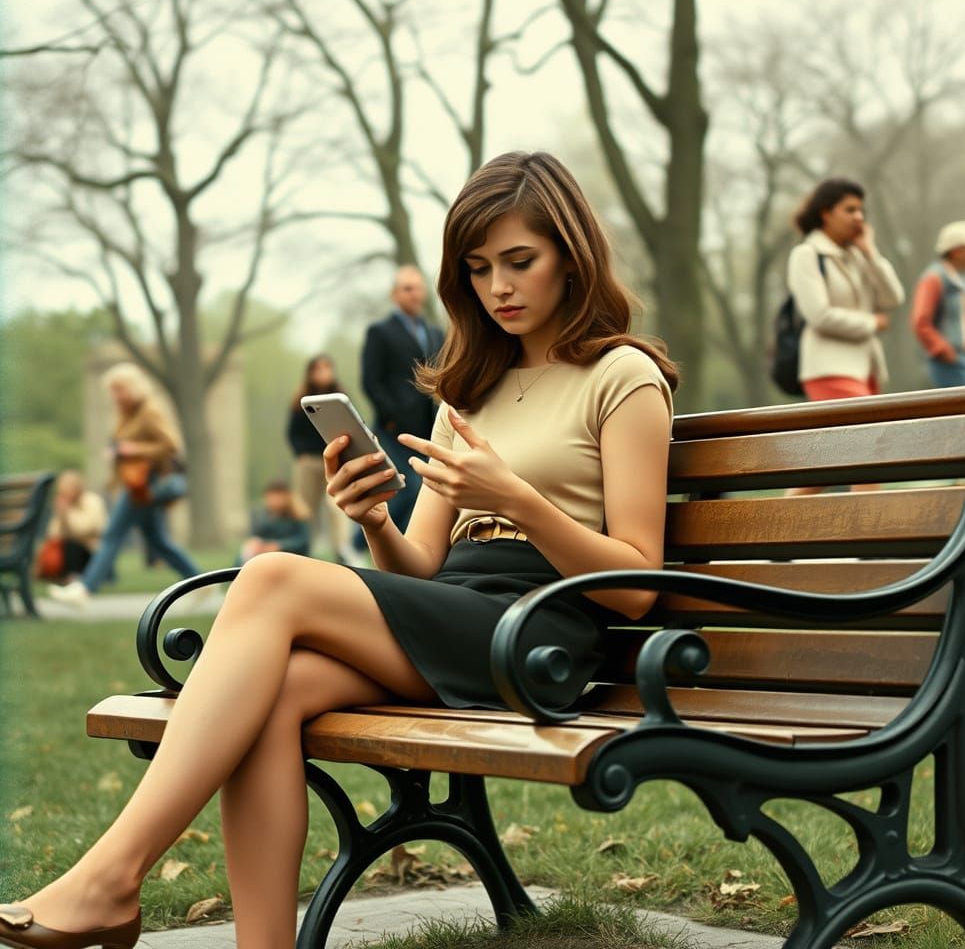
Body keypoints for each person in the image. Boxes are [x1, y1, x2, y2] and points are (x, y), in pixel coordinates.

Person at [1, 151, 676, 949]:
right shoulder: (475, 387)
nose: (499, 286)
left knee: (272, 577)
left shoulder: (622, 376)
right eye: (479, 267)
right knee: (275, 695)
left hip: (540, 631)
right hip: (456, 612)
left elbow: (637, 585)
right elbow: (420, 567)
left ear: (572, 251)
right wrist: (375, 522)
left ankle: (111, 880)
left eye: (520, 261)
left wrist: (518, 502)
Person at [47, 363, 199, 609]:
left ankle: (85, 589)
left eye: (120, 390)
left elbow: (171, 445)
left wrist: (133, 449)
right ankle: (199, 581)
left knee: (111, 535)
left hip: (145, 484)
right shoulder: (126, 414)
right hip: (135, 483)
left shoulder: (149, 411)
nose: (116, 396)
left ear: (134, 388)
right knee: (160, 542)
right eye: (113, 391)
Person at [787, 177, 905, 403]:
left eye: (861, 211)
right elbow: (819, 316)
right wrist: (872, 323)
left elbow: (893, 298)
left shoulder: (857, 256)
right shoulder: (806, 255)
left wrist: (870, 252)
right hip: (829, 369)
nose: (859, 217)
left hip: (867, 369)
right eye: (850, 210)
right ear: (825, 213)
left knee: (873, 436)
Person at [360, 265, 445, 532]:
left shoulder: (435, 334)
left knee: (425, 491)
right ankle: (357, 540)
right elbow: (371, 381)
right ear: (394, 294)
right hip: (393, 429)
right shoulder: (380, 332)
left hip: (428, 428)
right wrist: (391, 416)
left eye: (418, 288)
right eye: (407, 289)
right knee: (407, 487)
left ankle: (410, 549)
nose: (414, 295)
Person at [286, 354, 353, 561]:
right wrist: (301, 455)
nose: (323, 373)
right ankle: (303, 550)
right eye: (318, 369)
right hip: (310, 461)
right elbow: (292, 432)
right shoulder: (302, 401)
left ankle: (342, 549)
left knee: (337, 506)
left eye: (326, 368)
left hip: (335, 460)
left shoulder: (340, 397)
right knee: (305, 509)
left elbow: (352, 426)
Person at [911, 219, 965, 388]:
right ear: (957, 251)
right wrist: (943, 350)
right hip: (949, 363)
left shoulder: (962, 279)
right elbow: (921, 321)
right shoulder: (934, 278)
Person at [36, 470, 107, 582]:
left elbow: (89, 527)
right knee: (61, 546)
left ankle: (77, 576)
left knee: (72, 544)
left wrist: (67, 515)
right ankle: (67, 575)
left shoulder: (92, 500)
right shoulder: (64, 506)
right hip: (70, 553)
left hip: (92, 552)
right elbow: (53, 534)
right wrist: (62, 517)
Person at [237, 480, 311, 564]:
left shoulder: (297, 515)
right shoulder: (261, 516)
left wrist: (279, 545)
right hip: (264, 558)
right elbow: (255, 537)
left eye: (278, 496)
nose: (275, 500)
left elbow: (303, 541)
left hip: (291, 560)